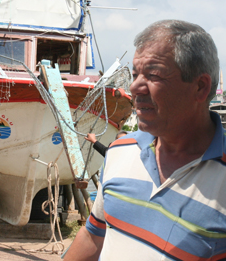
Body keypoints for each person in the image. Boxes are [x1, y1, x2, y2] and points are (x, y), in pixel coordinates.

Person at [64, 20, 226, 260]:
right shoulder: (120, 151)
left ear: (200, 87)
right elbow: (93, 236)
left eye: (154, 74)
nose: (135, 86)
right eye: (136, 73)